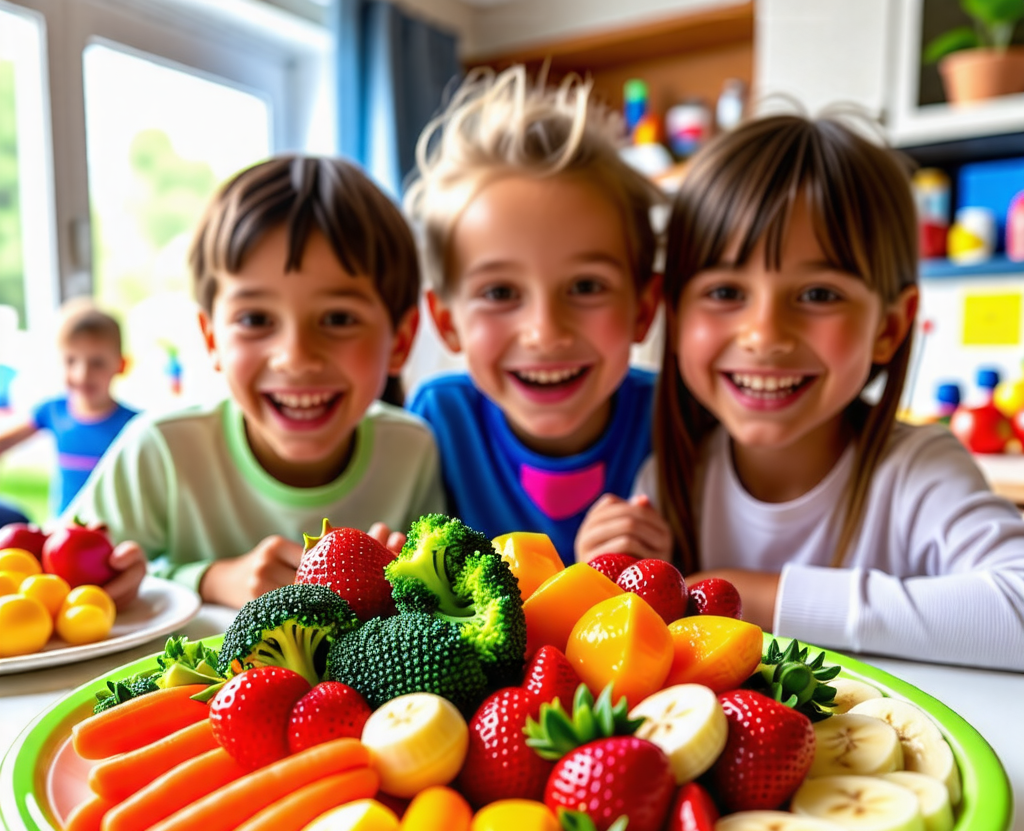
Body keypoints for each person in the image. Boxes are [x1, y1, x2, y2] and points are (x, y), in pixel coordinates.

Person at [576, 113, 1024, 671]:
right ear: (674, 310)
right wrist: (612, 586)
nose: (765, 335)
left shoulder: (917, 471)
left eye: (817, 293)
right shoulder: (668, 483)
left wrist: (757, 595)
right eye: (724, 291)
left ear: (889, 327)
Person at [68, 155, 444, 610]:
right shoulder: (160, 451)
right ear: (212, 339)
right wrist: (210, 579)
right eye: (256, 319)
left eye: (338, 318)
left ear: (401, 340)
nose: (296, 358)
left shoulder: (412, 451)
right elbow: (56, 580)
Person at [403, 65, 663, 565]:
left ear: (643, 309)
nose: (545, 332)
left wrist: (661, 562)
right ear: (446, 321)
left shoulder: (671, 419)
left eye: (586, 287)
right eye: (500, 292)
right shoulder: (438, 423)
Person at [0, 300, 137, 515]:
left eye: (97, 362)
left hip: (112, 536)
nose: (82, 374)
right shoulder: (52, 411)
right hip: (62, 533)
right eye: (71, 361)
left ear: (122, 365)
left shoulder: (135, 425)